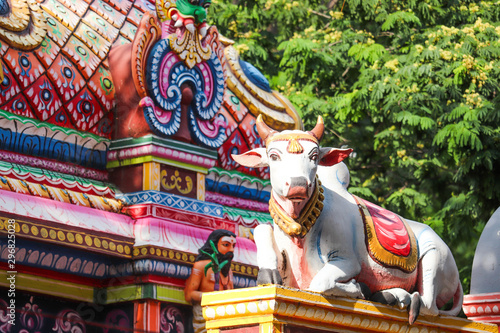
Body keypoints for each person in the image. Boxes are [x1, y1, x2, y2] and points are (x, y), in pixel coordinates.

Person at [184, 229, 237, 333]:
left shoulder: (229, 271)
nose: (231, 250)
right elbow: (189, 294)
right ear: (214, 245)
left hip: (224, 317)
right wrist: (211, 298)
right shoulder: (201, 266)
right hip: (204, 316)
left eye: (233, 246)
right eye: (226, 245)